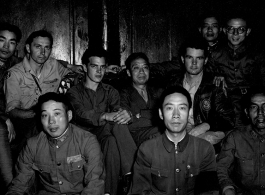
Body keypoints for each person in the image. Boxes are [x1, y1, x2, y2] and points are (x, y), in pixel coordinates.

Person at [66, 47, 136, 195]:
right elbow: (80, 114)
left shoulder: (110, 91)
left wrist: (124, 114)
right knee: (112, 127)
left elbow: (117, 109)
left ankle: (109, 192)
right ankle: (133, 171)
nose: (99, 71)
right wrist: (104, 115)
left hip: (104, 134)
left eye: (102, 67)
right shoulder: (74, 92)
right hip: (82, 135)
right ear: (85, 67)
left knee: (112, 138)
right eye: (94, 66)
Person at [6, 92, 105, 195]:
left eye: (57, 114)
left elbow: (94, 186)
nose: (51, 121)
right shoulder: (32, 145)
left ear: (69, 115)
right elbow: (19, 185)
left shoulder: (87, 141)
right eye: (45, 115)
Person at [4, 30, 84, 156]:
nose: (43, 52)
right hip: (27, 118)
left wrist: (74, 72)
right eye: (38, 47)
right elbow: (12, 110)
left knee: (76, 127)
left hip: (53, 115)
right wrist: (37, 114)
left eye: (47, 48)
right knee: (37, 131)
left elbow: (77, 75)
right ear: (28, 48)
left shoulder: (54, 65)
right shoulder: (14, 73)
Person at [128, 86, 217, 195]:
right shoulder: (146, 149)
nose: (176, 115)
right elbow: (138, 191)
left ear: (189, 113)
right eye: (169, 108)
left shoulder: (205, 149)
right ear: (161, 113)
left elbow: (209, 191)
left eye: (182, 108)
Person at [169, 37, 235, 152]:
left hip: (207, 130)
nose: (194, 63)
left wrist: (206, 125)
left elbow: (228, 119)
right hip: (181, 128)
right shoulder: (173, 84)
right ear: (183, 59)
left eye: (199, 58)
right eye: (190, 57)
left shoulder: (214, 85)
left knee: (206, 139)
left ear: (205, 60)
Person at [208, 11, 265, 127]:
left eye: (241, 29)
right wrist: (215, 76)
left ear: (247, 32)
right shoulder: (215, 54)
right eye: (231, 29)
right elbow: (205, 77)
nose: (235, 33)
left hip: (249, 102)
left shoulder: (256, 55)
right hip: (225, 102)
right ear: (224, 30)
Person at [217, 88, 265, 195]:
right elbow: (222, 168)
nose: (260, 113)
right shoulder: (235, 137)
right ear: (247, 112)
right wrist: (227, 188)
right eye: (254, 107)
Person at [120, 52, 163, 146]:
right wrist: (154, 115)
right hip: (135, 138)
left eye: (145, 67)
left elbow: (167, 114)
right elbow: (128, 123)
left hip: (157, 134)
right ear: (128, 72)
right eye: (136, 68)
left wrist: (141, 115)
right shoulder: (123, 93)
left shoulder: (158, 91)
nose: (141, 71)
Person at [0, 22, 21, 192]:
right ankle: (11, 188)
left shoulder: (15, 63)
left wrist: (77, 67)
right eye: (1, 40)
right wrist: (4, 119)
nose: (6, 46)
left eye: (12, 42)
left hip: (11, 119)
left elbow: (40, 59)